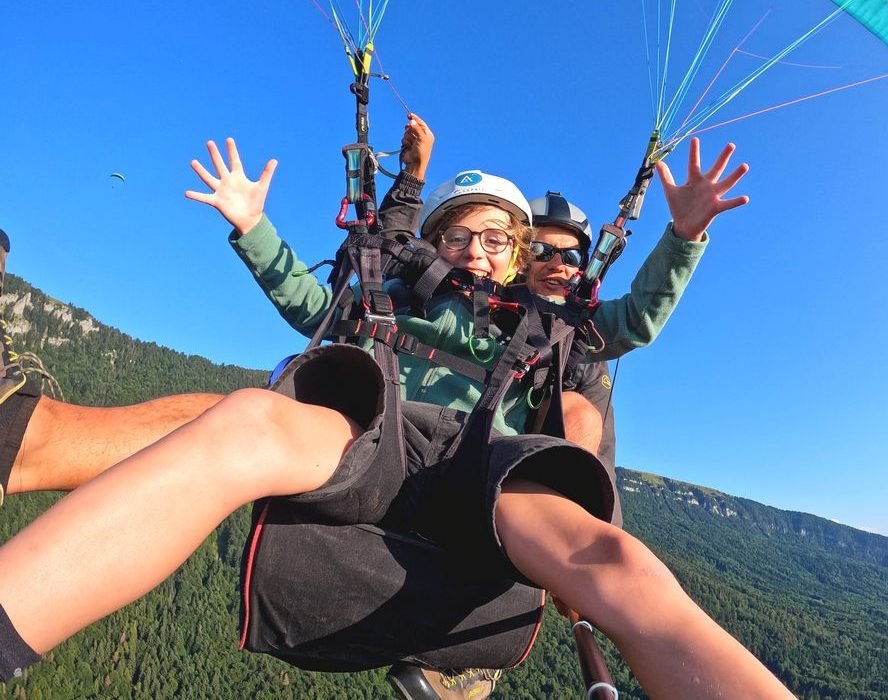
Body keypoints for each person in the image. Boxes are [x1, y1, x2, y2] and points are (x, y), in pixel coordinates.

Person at [0, 135, 792, 698]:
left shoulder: (544, 322)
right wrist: (252, 227)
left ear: (516, 253)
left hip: (488, 470)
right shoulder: (395, 299)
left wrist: (684, 236)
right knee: (248, 419)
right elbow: (308, 303)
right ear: (435, 244)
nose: (476, 251)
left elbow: (628, 324)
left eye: (494, 238)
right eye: (458, 236)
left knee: (609, 560)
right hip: (374, 434)